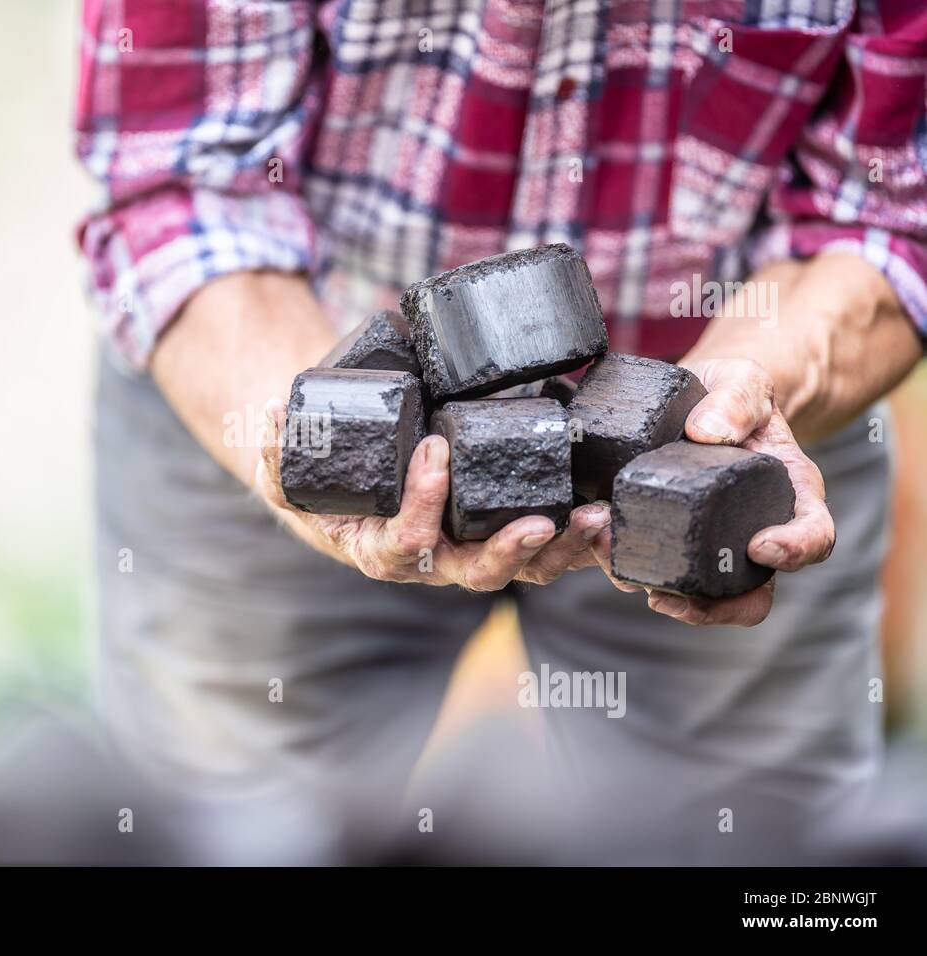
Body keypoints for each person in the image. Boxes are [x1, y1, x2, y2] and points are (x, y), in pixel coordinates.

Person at [75, 1, 926, 817]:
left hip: (728, 415)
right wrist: (309, 446)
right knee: (236, 828)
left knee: (745, 849)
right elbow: (180, 186)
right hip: (280, 361)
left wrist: (730, 408)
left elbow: (890, 217)